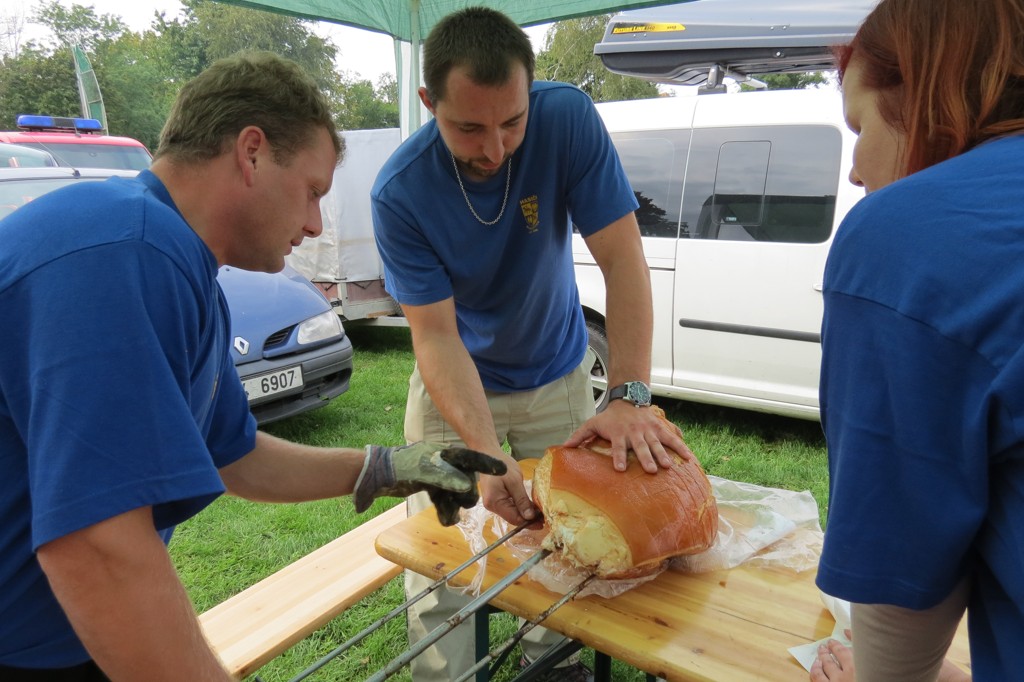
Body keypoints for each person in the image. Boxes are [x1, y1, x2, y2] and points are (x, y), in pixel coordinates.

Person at [0, 51, 505, 681]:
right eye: (313, 191)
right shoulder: (127, 250)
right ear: (252, 152)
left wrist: (385, 467)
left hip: (66, 636)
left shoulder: (176, 263)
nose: (317, 222)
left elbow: (233, 456)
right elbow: (95, 546)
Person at [370, 7, 690, 681]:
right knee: (445, 557)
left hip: (557, 373)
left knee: (567, 540)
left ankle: (555, 668)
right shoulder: (399, 192)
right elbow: (437, 337)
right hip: (454, 389)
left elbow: (624, 261)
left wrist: (629, 394)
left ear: (531, 90)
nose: (495, 148)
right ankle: (447, 674)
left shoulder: (567, 119)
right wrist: (484, 448)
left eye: (512, 121)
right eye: (469, 128)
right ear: (430, 103)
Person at [810, 0, 1024, 680]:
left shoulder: (904, 235)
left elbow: (899, 579)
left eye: (859, 126)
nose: (854, 171)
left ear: (928, 96)